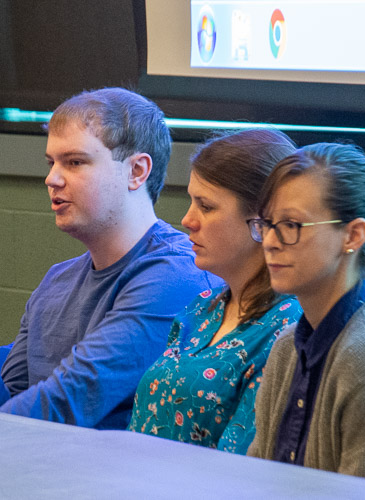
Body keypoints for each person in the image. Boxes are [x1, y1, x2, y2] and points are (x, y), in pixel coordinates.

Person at [0, 87, 223, 429]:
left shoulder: (175, 276)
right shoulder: (56, 282)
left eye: (75, 162)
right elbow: (2, 409)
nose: (51, 179)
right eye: (51, 162)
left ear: (137, 171)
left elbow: (64, 403)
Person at [127, 129, 302, 453]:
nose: (187, 220)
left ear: (261, 221)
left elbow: (240, 466)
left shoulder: (287, 330)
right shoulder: (202, 307)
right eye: (192, 202)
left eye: (206, 207)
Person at [247, 143, 365, 484]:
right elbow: (258, 482)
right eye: (266, 223)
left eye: (291, 224)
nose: (269, 241)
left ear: (353, 235)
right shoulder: (287, 347)